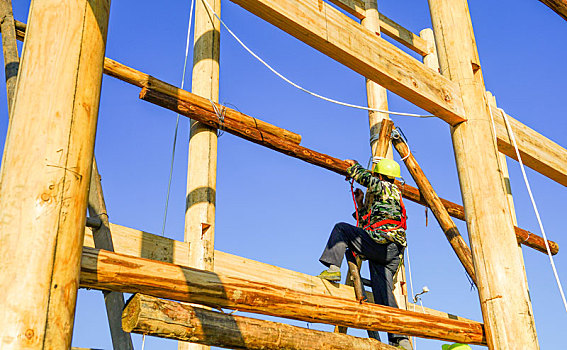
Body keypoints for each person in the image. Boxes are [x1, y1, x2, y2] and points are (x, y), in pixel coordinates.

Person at [317, 158, 411, 349]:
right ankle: (400, 340)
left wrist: (354, 167)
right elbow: (367, 223)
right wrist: (361, 203)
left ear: (381, 175)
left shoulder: (386, 187)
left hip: (383, 243)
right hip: (390, 253)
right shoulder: (391, 198)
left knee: (342, 229)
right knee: (384, 295)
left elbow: (367, 179)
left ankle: (333, 267)